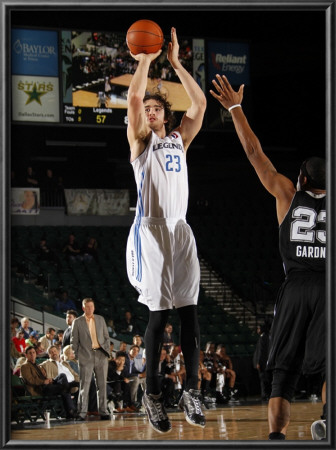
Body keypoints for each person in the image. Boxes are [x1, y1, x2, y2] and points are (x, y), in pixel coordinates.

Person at [210, 74, 326, 441]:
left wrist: (235, 108)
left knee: (283, 373)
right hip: (328, 286)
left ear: (302, 179)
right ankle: (329, 419)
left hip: (295, 287)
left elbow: (255, 153)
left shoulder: (288, 194)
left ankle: (277, 438)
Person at [125, 27, 207, 433]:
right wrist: (144, 61)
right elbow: (135, 98)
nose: (152, 111)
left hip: (180, 230)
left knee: (190, 314)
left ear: (167, 114)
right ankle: (152, 395)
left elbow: (201, 103)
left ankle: (191, 390)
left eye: (158, 108)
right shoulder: (141, 142)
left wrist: (177, 64)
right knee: (158, 317)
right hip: (151, 232)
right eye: (150, 109)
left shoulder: (179, 140)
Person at [71, 297, 110, 420]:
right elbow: (74, 341)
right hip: (85, 356)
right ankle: (82, 413)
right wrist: (78, 356)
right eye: (87, 307)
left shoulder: (100, 319)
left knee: (102, 385)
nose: (90, 309)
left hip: (101, 355)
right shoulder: (77, 322)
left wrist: (106, 352)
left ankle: (103, 412)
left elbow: (106, 337)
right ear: (83, 308)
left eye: (92, 306)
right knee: (85, 385)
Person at [20, 346, 77, 419]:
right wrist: (44, 381)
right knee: (65, 388)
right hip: (40, 389)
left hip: (47, 386)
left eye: (33, 352)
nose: (32, 354)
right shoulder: (24, 366)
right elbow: (30, 380)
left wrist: (48, 379)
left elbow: (42, 377)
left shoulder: (37, 366)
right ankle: (71, 410)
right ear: (26, 355)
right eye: (30, 353)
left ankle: (70, 410)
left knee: (62, 376)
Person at [253, 323, 272, 401]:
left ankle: (264, 395)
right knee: (266, 379)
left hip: (262, 363)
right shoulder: (267, 337)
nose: (257, 330)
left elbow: (261, 352)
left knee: (263, 379)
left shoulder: (263, 338)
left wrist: (258, 362)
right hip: (266, 362)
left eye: (258, 328)